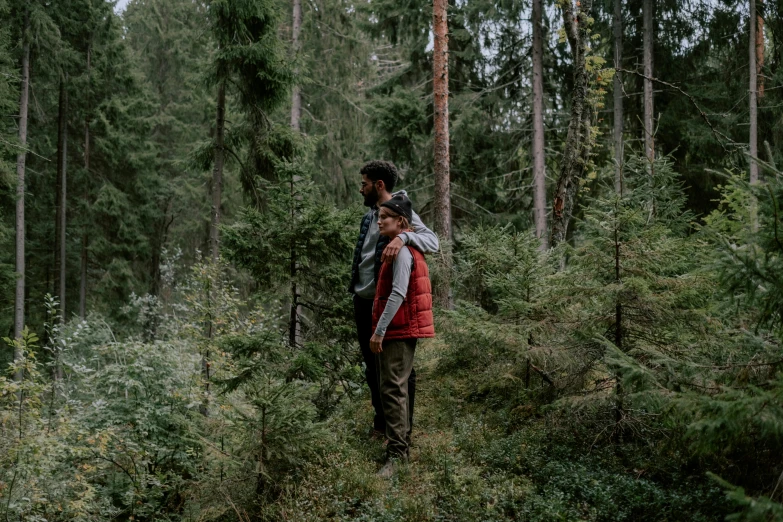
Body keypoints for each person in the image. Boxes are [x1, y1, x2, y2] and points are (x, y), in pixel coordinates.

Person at [350, 160, 439, 442]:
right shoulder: (371, 216)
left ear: (379, 185)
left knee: (398, 373)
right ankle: (381, 423)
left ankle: (402, 430)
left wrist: (403, 238)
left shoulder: (401, 211)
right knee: (371, 366)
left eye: (364, 184)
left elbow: (432, 241)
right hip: (363, 301)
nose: (360, 189)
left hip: (386, 305)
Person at [370, 194, 435, 477]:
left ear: (401, 221)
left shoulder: (403, 252)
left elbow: (398, 293)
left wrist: (379, 331)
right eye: (379, 216)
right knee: (397, 386)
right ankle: (401, 444)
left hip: (398, 329)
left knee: (393, 388)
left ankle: (397, 456)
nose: (379, 221)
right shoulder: (400, 247)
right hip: (401, 327)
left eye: (385, 217)